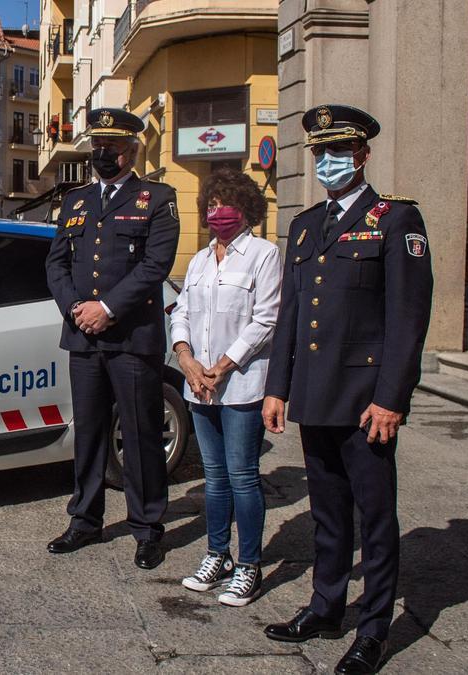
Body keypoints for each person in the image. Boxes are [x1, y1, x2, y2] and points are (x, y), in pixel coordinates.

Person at [261, 104, 433, 675]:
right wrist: (277, 386)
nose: (328, 162)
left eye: (338, 152)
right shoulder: (308, 225)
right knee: (329, 513)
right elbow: (291, 314)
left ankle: (376, 631)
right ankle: (326, 606)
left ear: (362, 155)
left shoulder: (395, 219)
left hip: (365, 403)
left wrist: (392, 398)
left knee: (375, 518)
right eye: (320, 153)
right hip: (315, 394)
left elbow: (408, 319)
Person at [45, 108, 180, 570]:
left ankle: (147, 526)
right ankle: (85, 518)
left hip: (132, 338)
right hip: (83, 338)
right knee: (89, 431)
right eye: (97, 147)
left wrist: (106, 308)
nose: (103, 154)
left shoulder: (156, 198)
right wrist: (76, 309)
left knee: (141, 434)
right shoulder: (76, 201)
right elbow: (56, 263)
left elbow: (155, 266)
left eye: (112, 148)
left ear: (131, 151)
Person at [170, 168, 280, 607]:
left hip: (241, 387)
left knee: (242, 477)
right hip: (200, 386)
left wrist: (224, 364)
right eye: (211, 204)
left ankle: (250, 565)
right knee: (214, 479)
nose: (217, 211)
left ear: (246, 208)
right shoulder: (198, 260)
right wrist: (185, 357)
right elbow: (180, 311)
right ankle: (218, 554)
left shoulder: (263, 254)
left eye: (225, 203)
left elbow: (267, 319)